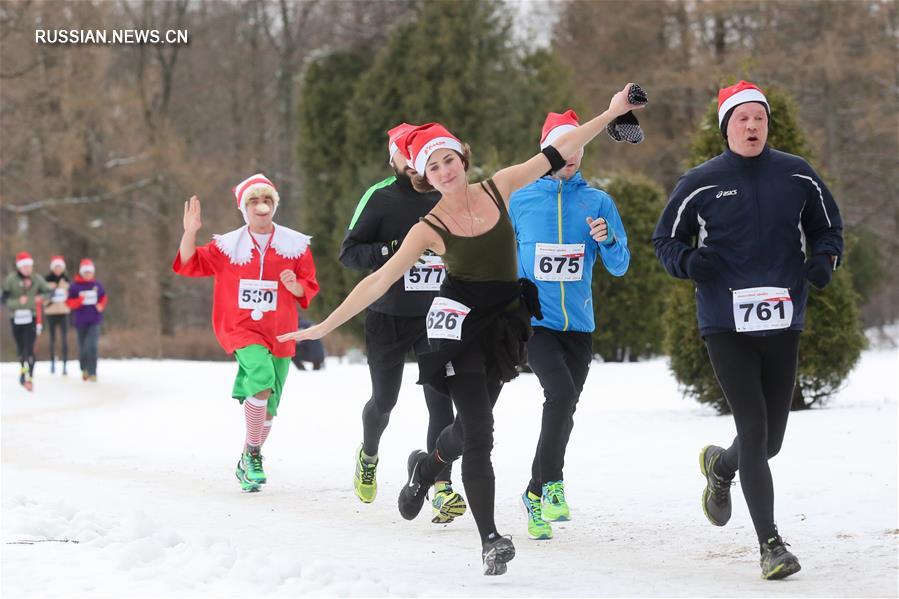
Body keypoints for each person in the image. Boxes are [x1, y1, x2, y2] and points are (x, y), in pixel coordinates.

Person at [278, 84, 642, 575]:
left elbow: (559, 149)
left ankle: (426, 467)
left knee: (465, 428)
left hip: (504, 327)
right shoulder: (428, 227)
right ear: (424, 177)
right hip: (457, 329)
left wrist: (612, 112)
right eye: (433, 167)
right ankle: (491, 538)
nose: (445, 171)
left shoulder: (500, 187)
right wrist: (322, 325)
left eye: (449, 159)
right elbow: (378, 280)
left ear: (462, 158)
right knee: (480, 434)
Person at [652, 80, 843, 580]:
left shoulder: (797, 174)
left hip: (783, 318)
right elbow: (666, 240)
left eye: (759, 117)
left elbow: (828, 228)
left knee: (770, 441)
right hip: (725, 322)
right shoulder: (701, 181)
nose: (753, 125)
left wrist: (825, 259)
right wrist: (689, 262)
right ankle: (770, 545)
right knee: (754, 431)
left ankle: (721, 467)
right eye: (743, 118)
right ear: (727, 127)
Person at [509, 109, 630, 540]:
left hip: (579, 326)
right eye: (564, 146)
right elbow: (499, 257)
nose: (572, 153)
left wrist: (607, 239)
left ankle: (533, 493)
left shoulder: (598, 203)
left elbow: (620, 264)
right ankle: (554, 485)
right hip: (535, 323)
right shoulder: (519, 199)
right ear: (548, 151)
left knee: (564, 409)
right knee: (559, 394)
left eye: (579, 145)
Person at [338, 122, 461, 522]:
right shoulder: (380, 197)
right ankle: (369, 454)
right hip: (387, 316)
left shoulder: (447, 193)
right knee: (384, 401)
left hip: (436, 316)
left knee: (441, 400)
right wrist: (391, 250)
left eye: (417, 153)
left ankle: (441, 485)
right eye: (402, 154)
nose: (411, 161)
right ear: (391, 158)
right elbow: (349, 253)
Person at [173, 173, 319, 492]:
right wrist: (190, 232)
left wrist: (295, 285)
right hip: (240, 327)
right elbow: (189, 262)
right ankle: (253, 455)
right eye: (254, 201)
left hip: (280, 331)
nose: (261, 206)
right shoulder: (227, 246)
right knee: (261, 378)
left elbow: (308, 285)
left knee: (270, 407)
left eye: (267, 200)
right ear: (244, 208)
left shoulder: (294, 245)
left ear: (275, 205)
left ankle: (246, 461)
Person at [2, 252, 51, 391]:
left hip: (32, 317)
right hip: (16, 318)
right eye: (25, 266)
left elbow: (49, 292)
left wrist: (40, 298)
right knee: (21, 349)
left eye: (30, 266)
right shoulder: (11, 279)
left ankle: (29, 377)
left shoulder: (37, 279)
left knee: (29, 349)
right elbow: (4, 299)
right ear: (19, 267)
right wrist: (18, 302)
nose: (28, 269)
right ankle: (24, 372)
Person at [66, 259, 107, 382]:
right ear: (81, 272)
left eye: (90, 272)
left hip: (94, 321)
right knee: (83, 348)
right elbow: (69, 303)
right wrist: (80, 300)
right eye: (86, 272)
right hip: (80, 322)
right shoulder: (75, 286)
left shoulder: (97, 285)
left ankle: (93, 372)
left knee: (92, 346)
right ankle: (84, 368)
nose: (88, 274)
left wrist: (101, 305)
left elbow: (103, 297)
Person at [44, 255, 71, 375]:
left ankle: (65, 364)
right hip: (51, 312)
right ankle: (52, 362)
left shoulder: (66, 280)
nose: (58, 269)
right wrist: (50, 298)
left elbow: (71, 295)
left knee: (64, 339)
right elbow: (43, 296)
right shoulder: (46, 280)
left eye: (60, 267)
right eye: (56, 267)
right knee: (52, 339)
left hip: (64, 312)